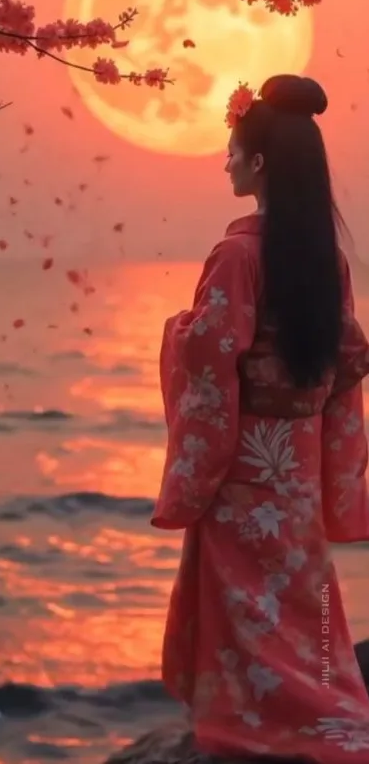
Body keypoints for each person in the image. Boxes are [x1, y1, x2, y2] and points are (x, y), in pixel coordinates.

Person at [151, 74, 369, 762]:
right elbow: (343, 354)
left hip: (244, 461)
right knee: (302, 599)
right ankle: (330, 712)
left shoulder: (237, 255)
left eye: (231, 150)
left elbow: (213, 353)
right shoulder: (321, 258)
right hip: (296, 459)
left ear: (258, 164)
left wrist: (178, 331)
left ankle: (254, 725)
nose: (224, 162)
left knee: (243, 602)